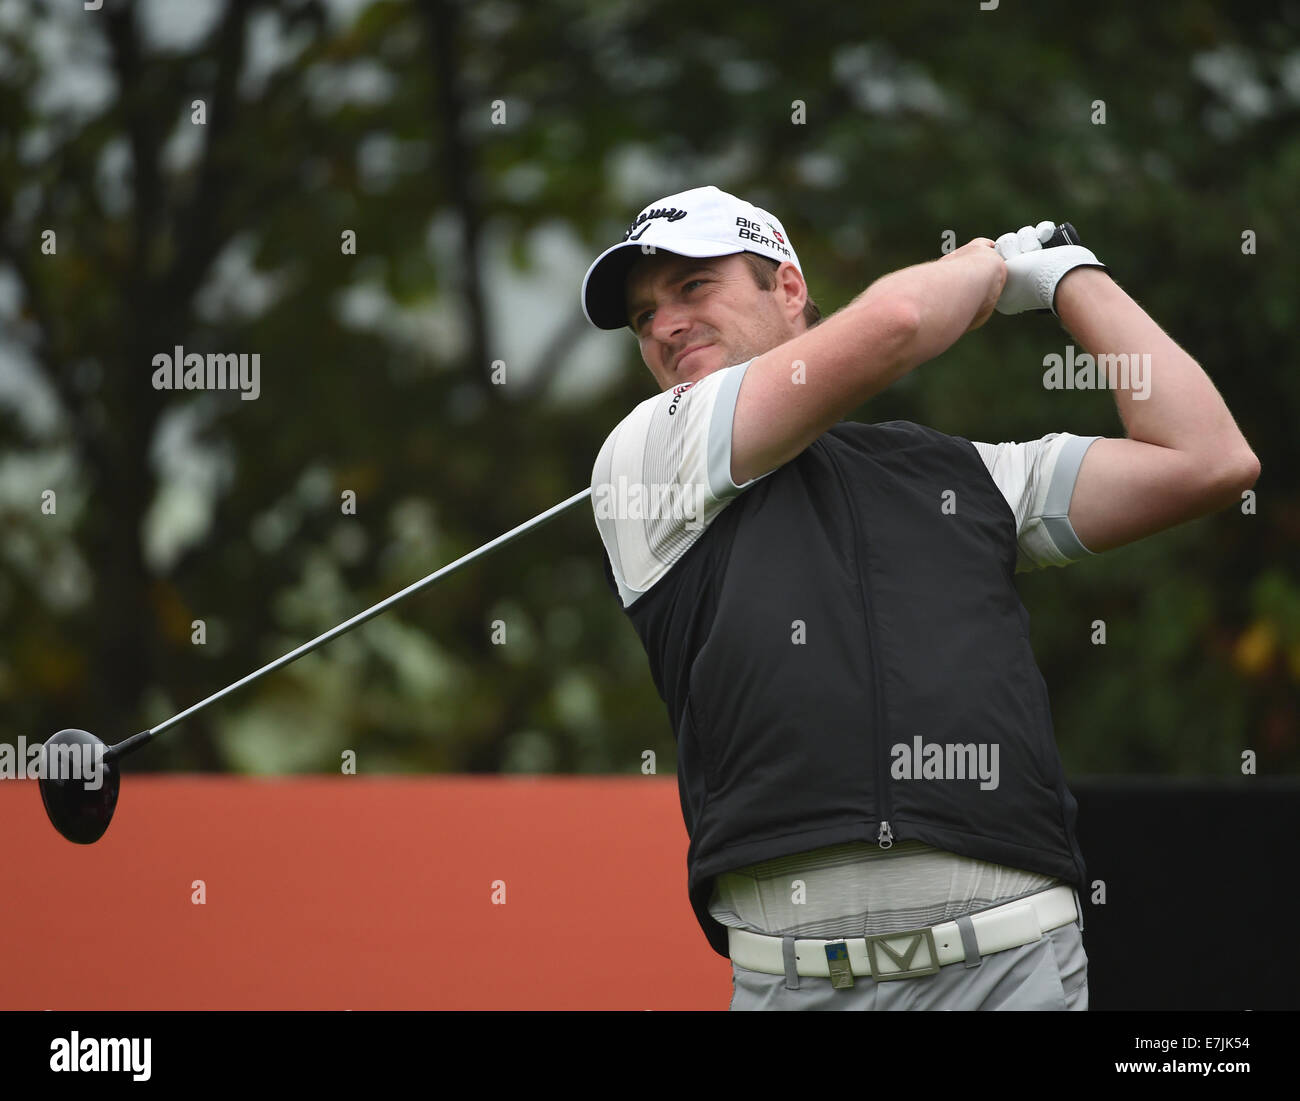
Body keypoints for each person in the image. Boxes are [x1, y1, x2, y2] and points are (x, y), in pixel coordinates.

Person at [580, 185, 1260, 1010]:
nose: (664, 324)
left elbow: (1210, 460)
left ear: (787, 288)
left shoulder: (966, 474)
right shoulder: (646, 457)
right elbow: (900, 323)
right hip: (796, 982)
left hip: (1012, 965)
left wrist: (1072, 277)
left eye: (693, 288)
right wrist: (988, 264)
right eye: (643, 314)